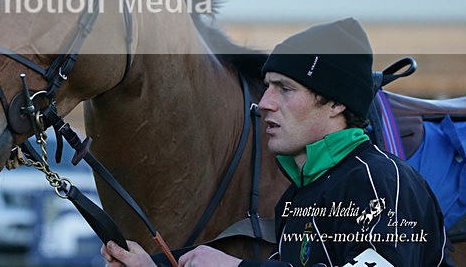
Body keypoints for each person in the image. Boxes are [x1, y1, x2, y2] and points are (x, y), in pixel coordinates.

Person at [102, 18, 451, 267]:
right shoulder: (298, 196)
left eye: (285, 88)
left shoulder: (382, 183)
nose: (265, 102)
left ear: (336, 103)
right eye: (267, 86)